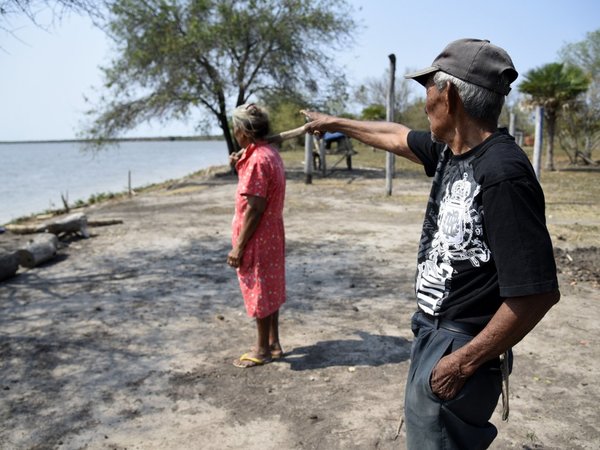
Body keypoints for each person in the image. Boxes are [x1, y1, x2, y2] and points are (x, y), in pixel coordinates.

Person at [302, 38, 560, 449]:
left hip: (460, 344)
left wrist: (461, 364)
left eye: (428, 89)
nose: (425, 102)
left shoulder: (502, 173)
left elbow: (537, 293)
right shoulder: (452, 151)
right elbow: (395, 136)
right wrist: (337, 123)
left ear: (451, 94)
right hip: (434, 335)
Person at [227, 103, 287, 368]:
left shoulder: (258, 160)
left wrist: (238, 247)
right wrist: (239, 164)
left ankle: (261, 349)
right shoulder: (269, 154)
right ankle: (273, 343)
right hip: (272, 232)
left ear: (242, 130)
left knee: (260, 290)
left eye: (235, 128)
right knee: (270, 287)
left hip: (258, 236)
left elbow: (255, 207)